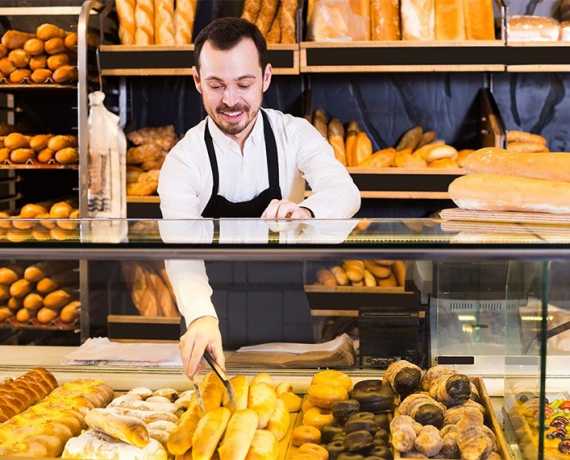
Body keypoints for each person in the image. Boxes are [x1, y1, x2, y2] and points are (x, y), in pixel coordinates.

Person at [158, 17, 360, 378]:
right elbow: (180, 249)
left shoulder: (294, 135)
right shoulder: (183, 159)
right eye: (216, 85)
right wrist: (201, 316)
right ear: (197, 81)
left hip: (284, 312)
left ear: (266, 78)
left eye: (244, 84)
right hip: (209, 319)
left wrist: (307, 212)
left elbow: (344, 192)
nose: (230, 100)